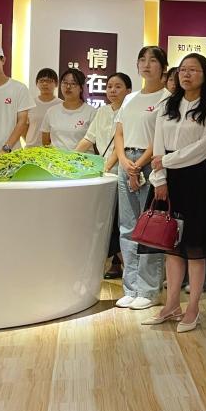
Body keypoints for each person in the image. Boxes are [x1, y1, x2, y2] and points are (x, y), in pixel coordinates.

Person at [142, 53, 206, 332]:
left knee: (195, 248)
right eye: (183, 70)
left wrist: (166, 160)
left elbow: (203, 148)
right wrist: (159, 178)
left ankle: (193, 308)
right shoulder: (167, 104)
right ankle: (172, 305)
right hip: (167, 179)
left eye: (193, 70)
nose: (186, 74)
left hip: (196, 179)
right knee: (171, 246)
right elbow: (158, 143)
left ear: (205, 74)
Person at [114, 47, 169, 309]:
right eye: (142, 60)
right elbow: (119, 133)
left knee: (150, 228)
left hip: (151, 165)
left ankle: (148, 290)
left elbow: (160, 138)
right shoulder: (129, 98)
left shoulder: (168, 99)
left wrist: (138, 165)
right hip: (126, 163)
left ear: (163, 67)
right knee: (127, 227)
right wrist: (124, 162)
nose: (146, 65)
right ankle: (131, 287)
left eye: (153, 61)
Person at [76, 72, 131, 279]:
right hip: (103, 176)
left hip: (120, 174)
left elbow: (121, 144)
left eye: (118, 86)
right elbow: (88, 139)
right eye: (109, 86)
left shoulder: (130, 112)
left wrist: (106, 167)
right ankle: (122, 266)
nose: (112, 90)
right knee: (105, 222)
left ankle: (128, 269)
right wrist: (70, 158)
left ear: (128, 91)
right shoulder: (102, 112)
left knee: (119, 223)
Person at [41, 69, 96, 150]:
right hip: (57, 157)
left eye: (73, 83)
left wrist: (73, 155)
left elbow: (93, 140)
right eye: (65, 82)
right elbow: (45, 141)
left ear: (81, 87)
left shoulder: (91, 112)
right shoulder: (51, 111)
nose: (68, 87)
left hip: (83, 157)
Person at [25, 68, 61, 147]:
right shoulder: (30, 104)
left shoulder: (61, 105)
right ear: (36, 83)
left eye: (49, 81)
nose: (45, 83)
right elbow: (24, 127)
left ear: (56, 83)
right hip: (31, 148)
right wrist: (29, 141)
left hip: (53, 149)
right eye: (41, 81)